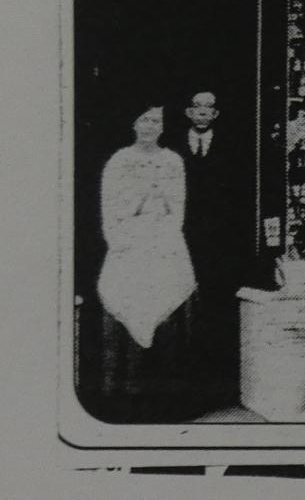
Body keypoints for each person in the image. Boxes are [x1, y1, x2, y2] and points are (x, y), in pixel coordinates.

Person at [96, 103, 195, 420]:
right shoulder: (119, 161)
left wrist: (160, 204)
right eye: (145, 119)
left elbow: (177, 208)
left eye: (157, 121)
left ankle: (168, 401)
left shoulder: (172, 161)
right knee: (127, 307)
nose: (151, 126)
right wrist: (140, 201)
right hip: (130, 244)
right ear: (133, 123)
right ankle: (125, 398)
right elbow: (110, 209)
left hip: (164, 242)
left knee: (168, 315)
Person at [175, 90, 243, 409]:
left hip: (218, 243)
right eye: (197, 107)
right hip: (182, 240)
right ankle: (183, 384)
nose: (203, 113)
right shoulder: (171, 149)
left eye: (209, 109)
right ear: (189, 112)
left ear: (216, 115)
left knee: (216, 308)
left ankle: (218, 385)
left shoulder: (231, 148)